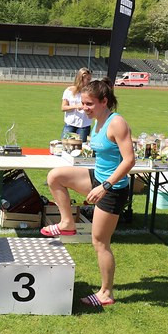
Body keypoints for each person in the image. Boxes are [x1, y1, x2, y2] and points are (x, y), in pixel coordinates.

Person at [42, 78, 135, 308]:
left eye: (89, 104)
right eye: (83, 103)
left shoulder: (117, 123)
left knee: (100, 242)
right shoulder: (98, 121)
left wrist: (105, 187)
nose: (84, 108)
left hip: (112, 189)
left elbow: (130, 160)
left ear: (104, 101)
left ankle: (106, 293)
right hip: (97, 178)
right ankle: (67, 223)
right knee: (55, 177)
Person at [60, 68, 93, 140]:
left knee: (80, 148)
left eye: (90, 79)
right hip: (70, 124)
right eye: (87, 79)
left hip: (84, 125)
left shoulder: (90, 92)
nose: (89, 81)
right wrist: (76, 106)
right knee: (65, 146)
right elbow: (63, 107)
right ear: (81, 79)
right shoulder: (69, 91)